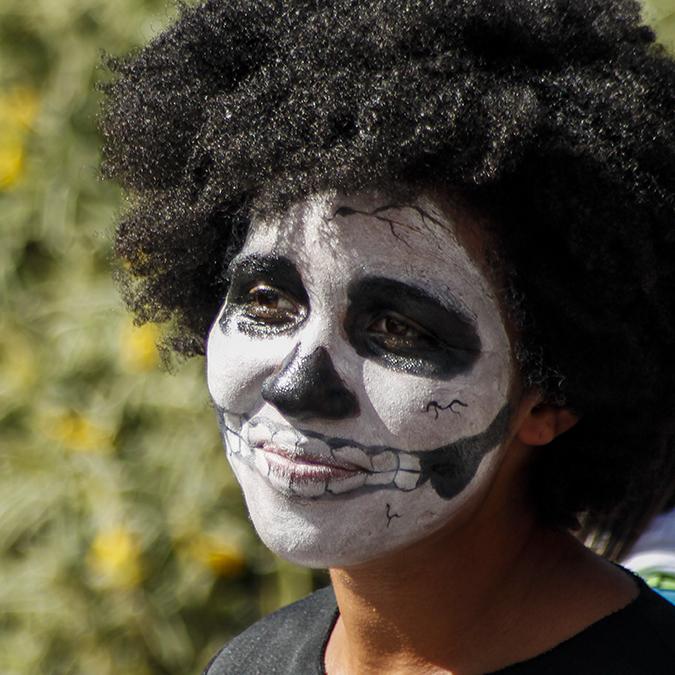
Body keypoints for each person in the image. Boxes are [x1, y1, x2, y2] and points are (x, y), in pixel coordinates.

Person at [101, 1, 675, 672]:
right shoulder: (250, 662)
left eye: (397, 327)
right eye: (267, 299)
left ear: (549, 397)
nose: (296, 386)